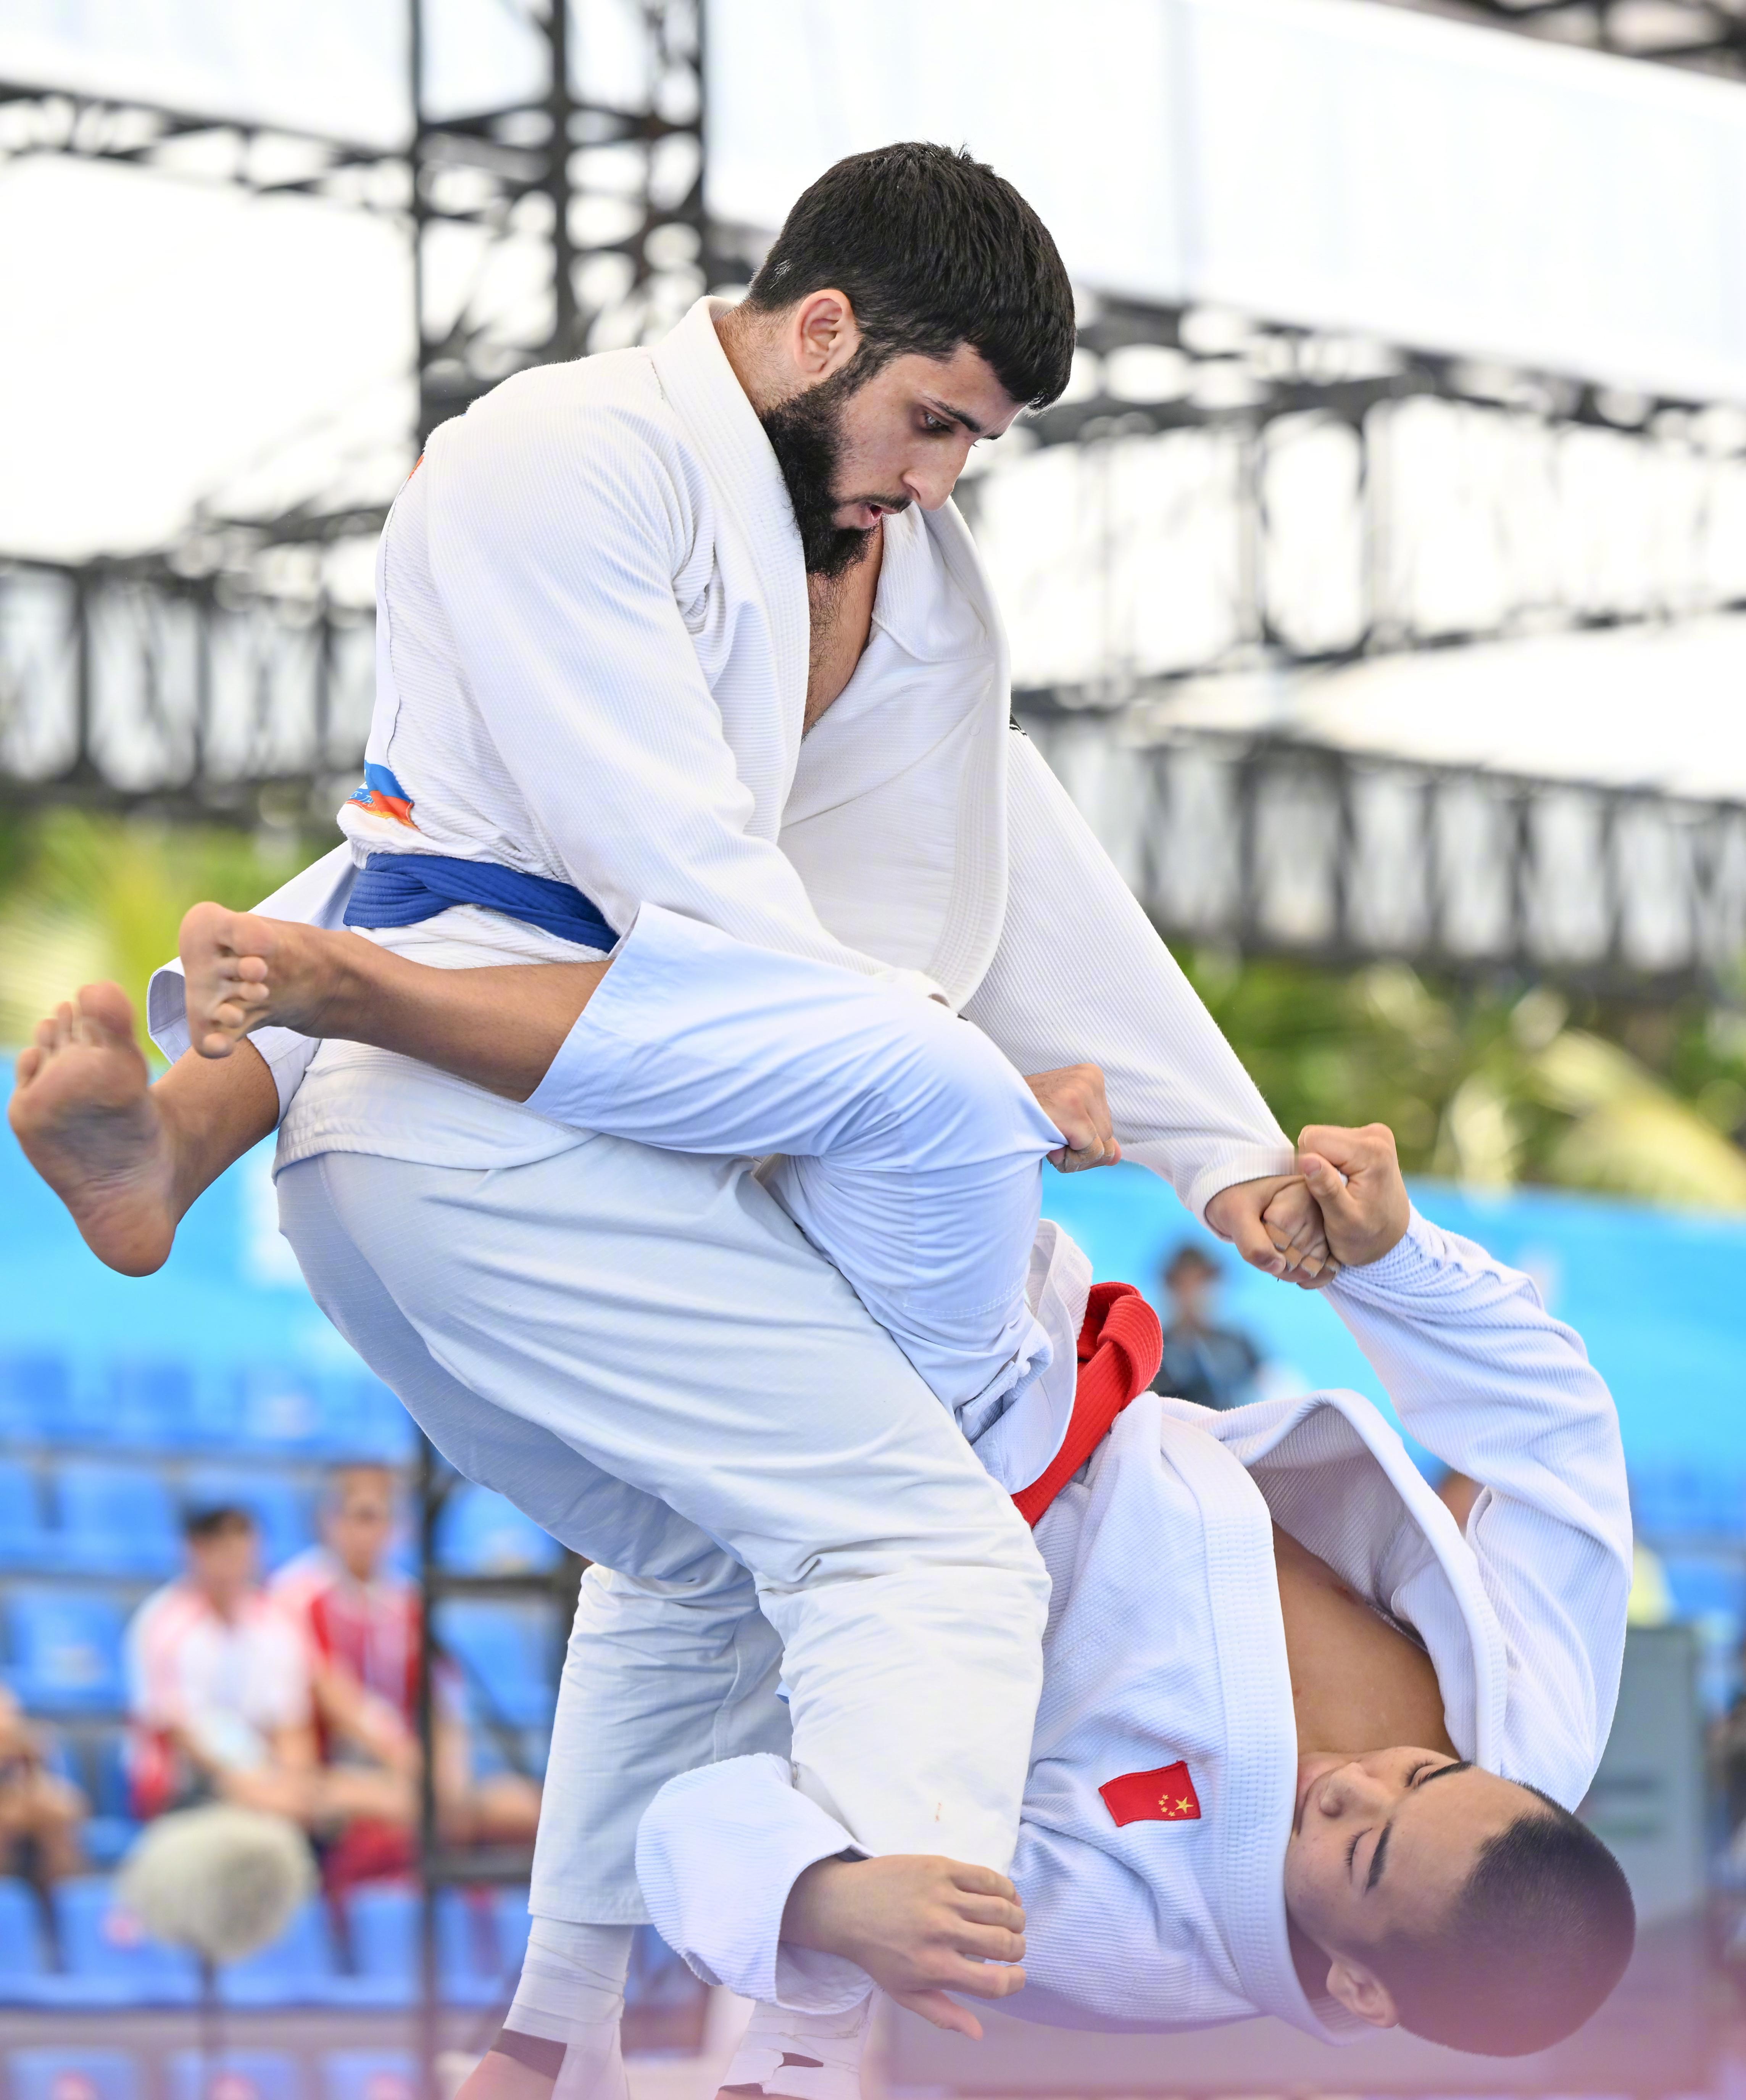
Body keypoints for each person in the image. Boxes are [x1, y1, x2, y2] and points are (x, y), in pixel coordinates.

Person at [14, 141, 1319, 2100]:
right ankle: (801, 2041)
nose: (938, 479)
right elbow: (684, 895)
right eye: (929, 421)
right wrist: (954, 1086)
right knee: (929, 1550)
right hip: (488, 1112)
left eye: (972, 445)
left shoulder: (902, 579)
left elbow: (1009, 863)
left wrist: (1224, 1148)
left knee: (705, 1568)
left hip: (458, 1138)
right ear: (819, 327)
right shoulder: (564, 457)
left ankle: (546, 2035)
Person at [634, 1125, 1636, 2069]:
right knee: (941, 1085)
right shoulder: (1530, 1733)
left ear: (1357, 1986)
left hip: (845, 1507)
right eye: (1421, 1774)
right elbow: (1553, 1425)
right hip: (1028, 1353)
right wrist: (1391, 1255)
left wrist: (816, 1901)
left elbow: (689, 1804)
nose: (1353, 1786)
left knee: (886, 1101)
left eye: (1363, 1850)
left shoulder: (1135, 1948)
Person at [272, 1461, 541, 1873]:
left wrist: (447, 1777)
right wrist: (412, 1764)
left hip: (405, 1774)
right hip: (327, 1774)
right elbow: (333, 1694)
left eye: (381, 1518)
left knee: (530, 1810)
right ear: (330, 1522)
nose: (370, 1533)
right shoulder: (297, 1594)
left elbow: (443, 1703)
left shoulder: (408, 1600)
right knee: (403, 1807)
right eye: (361, 1516)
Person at [126, 1503, 409, 1838]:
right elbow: (182, 1732)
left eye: (242, 1549)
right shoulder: (163, 1622)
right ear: (196, 1551)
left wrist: (294, 1782)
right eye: (222, 1550)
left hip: (266, 1779)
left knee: (382, 1800)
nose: (235, 1562)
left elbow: (291, 1726)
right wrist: (257, 1784)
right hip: (187, 1785)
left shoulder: (273, 1624)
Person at [1151, 1242, 1263, 1411]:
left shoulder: (1239, 1344)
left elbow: (1274, 1387)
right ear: (1171, 1288)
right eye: (1184, 1283)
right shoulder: (1154, 1349)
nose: (1193, 1292)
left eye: (1202, 1282)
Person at [0, 1686, 87, 1885]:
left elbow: (36, 1779)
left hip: (19, 1798)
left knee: (60, 1810)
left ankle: (62, 1894)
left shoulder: (25, 1742)